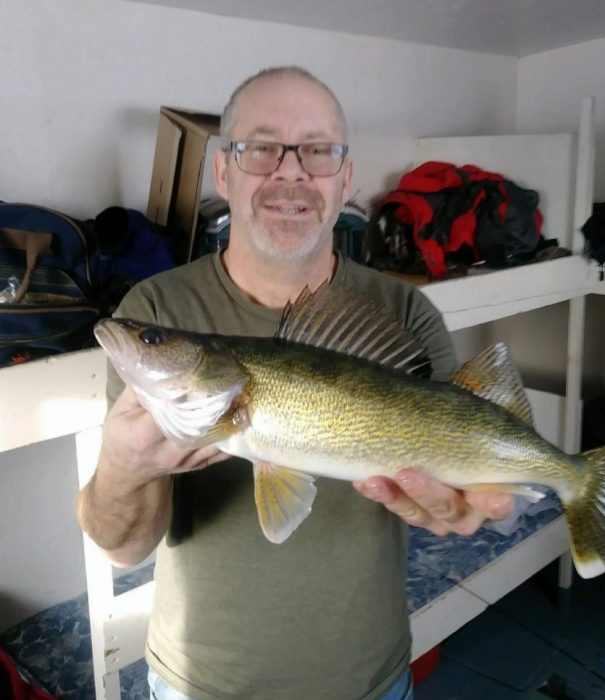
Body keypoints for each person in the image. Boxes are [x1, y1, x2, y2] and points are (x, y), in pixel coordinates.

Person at [76, 66, 514, 700]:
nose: (290, 172)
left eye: (317, 149)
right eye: (261, 148)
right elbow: (124, 549)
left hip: (372, 680)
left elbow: (452, 475)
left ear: (345, 178)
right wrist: (122, 468)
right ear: (223, 172)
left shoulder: (407, 315)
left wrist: (466, 502)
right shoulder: (161, 307)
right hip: (198, 685)